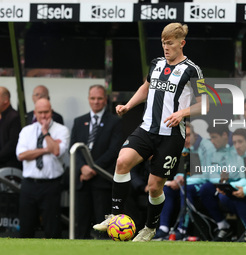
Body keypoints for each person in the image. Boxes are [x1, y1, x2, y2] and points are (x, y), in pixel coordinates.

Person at [93, 23, 205, 242]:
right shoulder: (156, 64)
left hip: (171, 136)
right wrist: (128, 106)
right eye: (163, 43)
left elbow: (206, 104)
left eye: (170, 43)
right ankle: (114, 215)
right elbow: (146, 87)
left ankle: (150, 228)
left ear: (181, 43)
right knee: (122, 161)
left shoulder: (192, 70)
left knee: (154, 187)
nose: (166, 47)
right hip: (146, 129)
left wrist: (182, 113)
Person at [70, 84, 122, 239]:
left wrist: (93, 168)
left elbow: (114, 151)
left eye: (99, 98)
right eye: (93, 98)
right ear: (88, 99)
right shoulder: (79, 121)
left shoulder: (115, 122)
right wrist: (83, 168)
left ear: (105, 100)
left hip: (102, 180)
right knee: (82, 225)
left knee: (103, 225)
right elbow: (73, 148)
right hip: (82, 181)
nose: (96, 101)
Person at [16, 98, 69, 238]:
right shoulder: (26, 131)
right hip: (29, 184)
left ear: (51, 111)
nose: (43, 116)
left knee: (52, 228)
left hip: (51, 185)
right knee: (26, 227)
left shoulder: (61, 130)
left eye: (46, 112)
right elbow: (21, 155)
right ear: (35, 113)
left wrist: (45, 132)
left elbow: (57, 151)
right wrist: (46, 149)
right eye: (40, 113)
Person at [153, 122, 214, 240]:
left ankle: (182, 229)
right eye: (184, 136)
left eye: (189, 135)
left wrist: (183, 181)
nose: (186, 139)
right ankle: (164, 228)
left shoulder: (206, 147)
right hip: (189, 182)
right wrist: (178, 179)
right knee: (166, 190)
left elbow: (207, 173)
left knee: (186, 189)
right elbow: (182, 171)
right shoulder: (183, 146)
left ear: (196, 134)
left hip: (204, 183)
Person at [199, 124, 242, 241]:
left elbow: (240, 170)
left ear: (224, 135)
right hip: (223, 185)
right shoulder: (215, 151)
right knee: (205, 189)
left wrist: (228, 178)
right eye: (210, 138)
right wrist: (220, 181)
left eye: (214, 137)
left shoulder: (238, 147)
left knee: (226, 196)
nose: (212, 141)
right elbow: (211, 173)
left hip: (240, 184)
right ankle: (223, 225)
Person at [0, 87, 22, 169]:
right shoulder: (3, 116)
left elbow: (12, 144)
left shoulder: (14, 117)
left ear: (6, 100)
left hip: (9, 167)